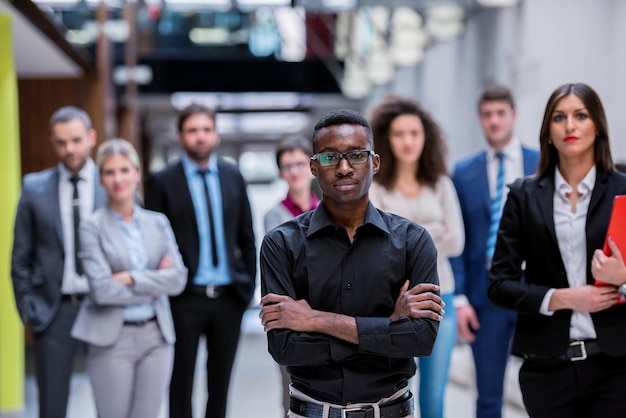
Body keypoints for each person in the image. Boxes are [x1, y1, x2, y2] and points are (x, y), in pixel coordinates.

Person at [259, 108, 445, 418]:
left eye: (356, 155)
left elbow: (420, 339)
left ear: (374, 163)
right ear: (314, 167)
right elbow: (285, 347)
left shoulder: (413, 241)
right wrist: (389, 325)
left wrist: (314, 320)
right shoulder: (281, 244)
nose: (344, 168)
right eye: (330, 158)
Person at [488, 82, 626, 418]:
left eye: (581, 115)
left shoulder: (623, 191)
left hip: (617, 367)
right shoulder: (523, 196)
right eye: (559, 117)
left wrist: (623, 278)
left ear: (598, 127)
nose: (570, 125)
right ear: (548, 131)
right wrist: (564, 298)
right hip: (547, 368)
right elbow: (499, 285)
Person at [144, 103, 256, 418]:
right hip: (183, 299)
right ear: (180, 136)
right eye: (192, 130)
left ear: (216, 135)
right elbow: (152, 237)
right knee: (179, 384)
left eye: (206, 130)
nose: (200, 137)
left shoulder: (233, 176)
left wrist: (245, 288)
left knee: (220, 386)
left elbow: (247, 237)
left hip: (228, 298)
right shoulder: (163, 180)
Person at [70, 138, 186, 418]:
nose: (118, 178)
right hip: (112, 338)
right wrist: (154, 282)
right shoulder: (91, 227)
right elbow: (101, 291)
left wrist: (130, 278)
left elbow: (178, 279)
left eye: (124, 170)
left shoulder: (158, 223)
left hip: (156, 337)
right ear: (100, 179)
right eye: (109, 172)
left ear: (137, 174)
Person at [368, 95, 464, 418]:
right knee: (392, 393)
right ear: (385, 138)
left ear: (427, 137)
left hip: (441, 298)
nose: (408, 141)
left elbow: (457, 242)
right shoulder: (377, 187)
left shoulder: (441, 184)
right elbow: (379, 244)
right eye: (399, 134)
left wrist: (406, 233)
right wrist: (433, 229)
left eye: (414, 133)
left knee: (435, 397)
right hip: (393, 303)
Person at [449, 84, 539, 418]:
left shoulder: (541, 162)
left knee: (547, 390)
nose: (494, 121)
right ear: (480, 119)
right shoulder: (464, 173)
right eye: (487, 115)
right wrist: (459, 299)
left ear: (513, 115)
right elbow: (459, 241)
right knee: (488, 395)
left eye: (501, 113)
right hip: (485, 296)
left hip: (536, 288)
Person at [11, 106, 106, 418]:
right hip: (54, 311)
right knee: (52, 406)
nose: (70, 149)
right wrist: (29, 308)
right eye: (61, 142)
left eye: (76, 140)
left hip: (106, 307)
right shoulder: (34, 188)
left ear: (91, 138)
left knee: (113, 402)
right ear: (52, 143)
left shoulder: (114, 184)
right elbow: (20, 257)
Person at [263, 134, 320, 417]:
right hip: (291, 314)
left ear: (312, 166)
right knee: (292, 395)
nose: (294, 171)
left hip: (326, 312)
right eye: (287, 166)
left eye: (299, 163)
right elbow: (285, 267)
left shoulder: (330, 210)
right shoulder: (274, 216)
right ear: (280, 172)